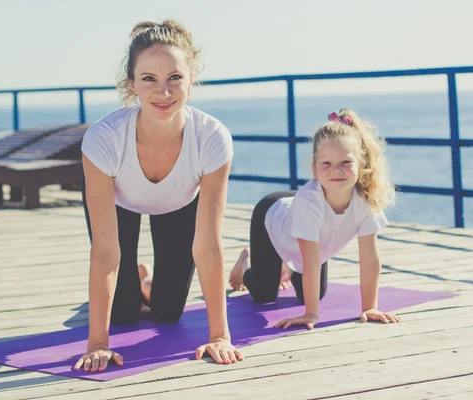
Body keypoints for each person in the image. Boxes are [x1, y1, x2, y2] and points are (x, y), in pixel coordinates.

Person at [74, 20, 243, 373]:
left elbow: (208, 245)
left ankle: (143, 278)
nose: (163, 92)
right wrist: (98, 344)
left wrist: (220, 336)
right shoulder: (104, 139)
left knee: (167, 312)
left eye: (174, 78)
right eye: (149, 79)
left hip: (178, 203)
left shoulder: (212, 139)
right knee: (122, 313)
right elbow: (105, 250)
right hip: (120, 204)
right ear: (131, 83)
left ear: (191, 80)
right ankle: (131, 278)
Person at [229, 108, 401, 329]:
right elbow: (310, 260)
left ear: (361, 165)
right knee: (264, 294)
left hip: (307, 233)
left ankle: (287, 266)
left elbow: (369, 258)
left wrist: (369, 307)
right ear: (314, 170)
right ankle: (244, 264)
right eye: (326, 164)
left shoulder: (364, 201)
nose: (336, 171)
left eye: (345, 163)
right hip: (272, 215)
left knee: (315, 294)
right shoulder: (308, 203)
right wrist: (311, 314)